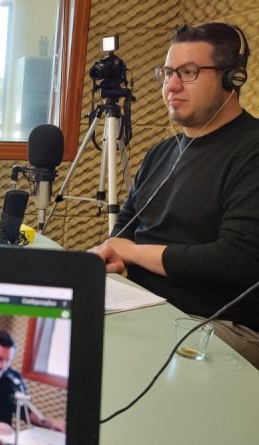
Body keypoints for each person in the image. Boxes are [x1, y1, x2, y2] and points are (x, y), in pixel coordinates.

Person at [89, 23, 259, 369]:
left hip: (220, 323)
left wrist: (133, 252)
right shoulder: (161, 152)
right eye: (167, 73)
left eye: (188, 72)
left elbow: (235, 260)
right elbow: (125, 227)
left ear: (232, 78)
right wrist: (115, 254)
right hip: (145, 306)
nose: (171, 85)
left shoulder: (251, 150)